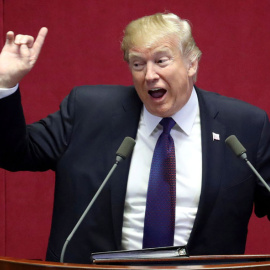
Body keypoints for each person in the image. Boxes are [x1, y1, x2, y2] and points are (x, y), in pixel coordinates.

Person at [0, 13, 270, 264]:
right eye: (138, 64)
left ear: (191, 63)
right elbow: (15, 153)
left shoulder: (245, 126)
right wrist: (5, 84)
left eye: (161, 61)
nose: (149, 75)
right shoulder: (87, 110)